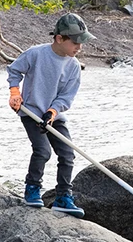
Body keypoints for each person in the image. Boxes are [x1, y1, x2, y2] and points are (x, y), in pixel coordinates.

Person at [7, 13, 95, 217]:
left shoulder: (74, 66)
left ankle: (63, 197)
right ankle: (32, 189)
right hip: (31, 112)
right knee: (42, 151)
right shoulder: (36, 54)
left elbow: (66, 97)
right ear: (60, 38)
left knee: (67, 154)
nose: (79, 47)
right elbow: (14, 70)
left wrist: (53, 112)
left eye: (81, 42)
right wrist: (14, 92)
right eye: (75, 42)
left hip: (54, 116)